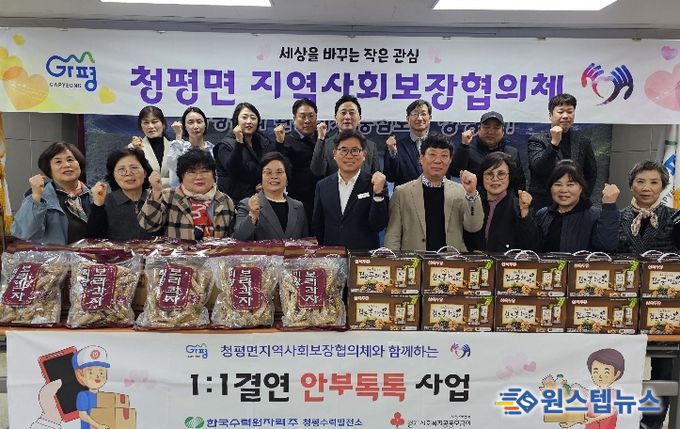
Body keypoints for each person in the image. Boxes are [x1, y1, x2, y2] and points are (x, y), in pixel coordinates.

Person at [617, 161, 680, 429]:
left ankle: (652, 422)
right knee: (618, 363)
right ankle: (620, 418)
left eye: (654, 182)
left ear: (663, 186)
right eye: (641, 181)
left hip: (663, 306)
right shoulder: (616, 217)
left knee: (664, 368)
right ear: (631, 184)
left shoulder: (675, 218)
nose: (647, 188)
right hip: (624, 304)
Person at [384, 134, 484, 252]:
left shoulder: (461, 191)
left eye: (444, 156)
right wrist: (394, 260)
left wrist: (472, 194)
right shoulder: (402, 193)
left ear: (450, 160)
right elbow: (393, 236)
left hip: (451, 260)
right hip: (415, 261)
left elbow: (473, 227)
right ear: (421, 158)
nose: (437, 161)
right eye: (432, 155)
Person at [312, 129, 388, 250]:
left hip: (363, 256)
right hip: (331, 255)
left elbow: (378, 225)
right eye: (343, 150)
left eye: (355, 150)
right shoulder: (323, 186)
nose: (349, 156)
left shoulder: (374, 184)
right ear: (334, 154)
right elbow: (318, 226)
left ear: (364, 154)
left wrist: (378, 194)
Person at [138, 149, 235, 240]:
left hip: (215, 252)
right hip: (177, 252)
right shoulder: (167, 196)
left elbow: (232, 238)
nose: (199, 177)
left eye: (204, 171)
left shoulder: (225, 200)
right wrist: (156, 191)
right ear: (181, 176)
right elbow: (148, 225)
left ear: (213, 175)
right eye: (192, 172)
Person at [12, 141, 91, 245]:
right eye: (58, 162)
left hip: (94, 254)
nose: (66, 165)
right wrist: (36, 198)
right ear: (49, 169)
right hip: (56, 255)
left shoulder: (94, 194)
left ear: (79, 164)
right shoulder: (38, 194)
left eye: (70, 159)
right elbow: (24, 233)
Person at [528, 93, 597, 209]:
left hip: (575, 205)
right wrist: (554, 144)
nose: (565, 116)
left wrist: (581, 198)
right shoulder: (536, 140)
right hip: (544, 205)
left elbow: (591, 174)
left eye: (570, 112)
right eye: (560, 112)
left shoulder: (583, 141)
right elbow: (540, 169)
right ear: (550, 115)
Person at [534, 160, 619, 253]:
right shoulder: (542, 215)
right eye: (558, 184)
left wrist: (609, 206)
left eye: (570, 184)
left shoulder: (595, 216)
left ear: (581, 187)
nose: (564, 190)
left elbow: (607, 246)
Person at [463, 152, 539, 252]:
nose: (495, 179)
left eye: (501, 174)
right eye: (489, 174)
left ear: (510, 177)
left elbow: (531, 246)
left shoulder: (519, 206)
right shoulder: (473, 202)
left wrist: (524, 212)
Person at [233, 152, 308, 241]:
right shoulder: (247, 204)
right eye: (268, 172)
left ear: (287, 178)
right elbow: (238, 239)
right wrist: (253, 215)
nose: (274, 177)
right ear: (261, 178)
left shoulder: (298, 207)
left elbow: (305, 243)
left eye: (279, 172)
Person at [86, 148, 156, 240]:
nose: (128, 173)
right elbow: (93, 240)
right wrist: (98, 206)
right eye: (121, 169)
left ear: (145, 173)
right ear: (113, 176)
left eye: (134, 168)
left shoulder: (156, 199)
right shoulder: (105, 203)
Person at [213, 102, 275, 202]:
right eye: (244, 117)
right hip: (232, 202)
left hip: (259, 199)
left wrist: (264, 183)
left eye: (253, 118)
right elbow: (234, 170)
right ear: (236, 120)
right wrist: (239, 143)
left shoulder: (263, 141)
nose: (249, 121)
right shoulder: (225, 145)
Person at [273, 98, 322, 224]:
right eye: (302, 116)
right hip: (298, 201)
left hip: (323, 199)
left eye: (311, 116)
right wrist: (279, 144)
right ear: (294, 119)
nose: (307, 120)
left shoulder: (322, 140)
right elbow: (281, 168)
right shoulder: (286, 142)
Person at [450, 111, 526, 191]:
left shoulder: (512, 153)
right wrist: (464, 145)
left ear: (503, 132)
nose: (490, 132)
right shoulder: (467, 150)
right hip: (474, 196)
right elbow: (455, 173)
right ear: (479, 129)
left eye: (496, 128)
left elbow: (520, 184)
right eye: (486, 127)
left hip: (505, 197)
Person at [310, 94, 381, 177]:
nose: (347, 117)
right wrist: (321, 138)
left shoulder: (370, 146)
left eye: (352, 113)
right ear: (336, 118)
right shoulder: (325, 145)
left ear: (360, 118)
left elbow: (377, 178)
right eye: (343, 113)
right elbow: (317, 171)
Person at [383, 99, 432, 186]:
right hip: (405, 194)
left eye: (423, 114)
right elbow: (390, 177)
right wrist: (393, 152)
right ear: (407, 119)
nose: (419, 118)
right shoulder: (396, 145)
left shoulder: (441, 144)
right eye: (415, 114)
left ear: (430, 118)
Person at [165, 106, 214, 188]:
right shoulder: (179, 147)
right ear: (184, 126)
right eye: (190, 122)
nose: (195, 126)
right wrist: (178, 136)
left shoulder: (213, 150)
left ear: (205, 124)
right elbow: (173, 167)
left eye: (199, 122)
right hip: (180, 194)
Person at [129, 105, 171, 187]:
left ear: (163, 124)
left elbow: (180, 178)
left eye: (154, 122)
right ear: (141, 126)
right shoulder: (133, 147)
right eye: (146, 122)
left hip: (171, 193)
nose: (150, 126)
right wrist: (136, 151)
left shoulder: (174, 147)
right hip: (144, 194)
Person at [73, 345, 110, 429]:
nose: (97, 376)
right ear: (80, 375)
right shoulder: (83, 395)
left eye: (101, 373)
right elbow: (83, 415)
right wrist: (98, 426)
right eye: (91, 373)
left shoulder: (104, 396)